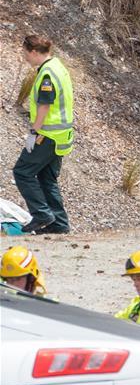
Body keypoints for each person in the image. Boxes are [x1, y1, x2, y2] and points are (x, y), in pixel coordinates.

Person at [14, 35, 74, 235]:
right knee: (47, 178)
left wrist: (33, 132)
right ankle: (59, 223)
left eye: (25, 53)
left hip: (48, 134)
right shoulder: (58, 66)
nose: (25, 58)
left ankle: (41, 214)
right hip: (61, 135)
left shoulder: (47, 73)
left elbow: (45, 105)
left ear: (33, 52)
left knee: (22, 172)